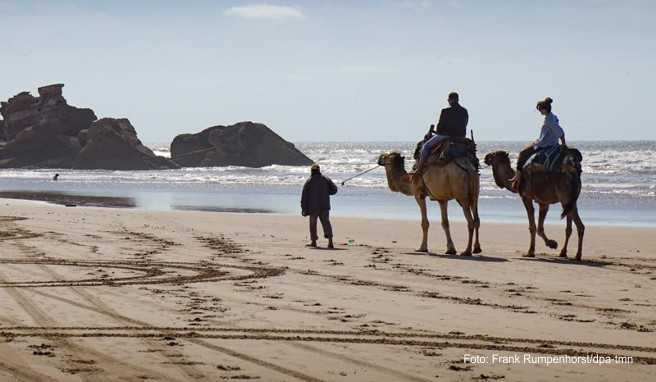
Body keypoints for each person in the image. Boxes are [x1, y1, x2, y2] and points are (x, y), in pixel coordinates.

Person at [512, 97, 567, 190]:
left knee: (522, 153)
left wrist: (564, 144)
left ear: (544, 109)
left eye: (540, 110)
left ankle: (517, 178)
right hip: (546, 142)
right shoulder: (552, 117)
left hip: (546, 144)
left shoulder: (549, 121)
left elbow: (560, 132)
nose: (539, 112)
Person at [415, 92, 469, 173]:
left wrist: (438, 132)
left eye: (448, 100)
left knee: (426, 146)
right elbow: (465, 124)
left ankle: (419, 170)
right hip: (461, 137)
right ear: (457, 100)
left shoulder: (445, 111)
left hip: (446, 136)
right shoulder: (464, 111)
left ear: (450, 100)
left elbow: (439, 128)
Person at [301, 164, 338, 248]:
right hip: (324, 205)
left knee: (313, 224)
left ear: (311, 171)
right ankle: (330, 242)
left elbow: (304, 196)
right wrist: (327, 192)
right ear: (319, 170)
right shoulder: (326, 179)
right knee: (326, 223)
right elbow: (334, 190)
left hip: (313, 207)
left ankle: (314, 242)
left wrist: (303, 208)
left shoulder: (309, 181)